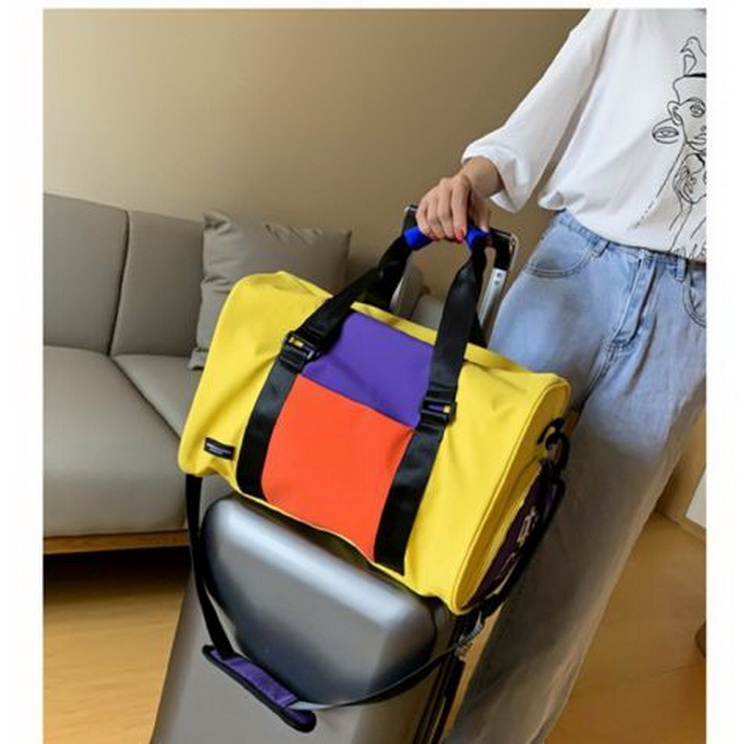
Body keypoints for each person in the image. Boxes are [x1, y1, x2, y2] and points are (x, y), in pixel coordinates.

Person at [416, 9, 706, 743]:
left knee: (577, 572)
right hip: (579, 264)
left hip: (695, 317)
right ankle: (377, 709)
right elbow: (541, 115)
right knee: (458, 504)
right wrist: (469, 179)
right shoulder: (639, 12)